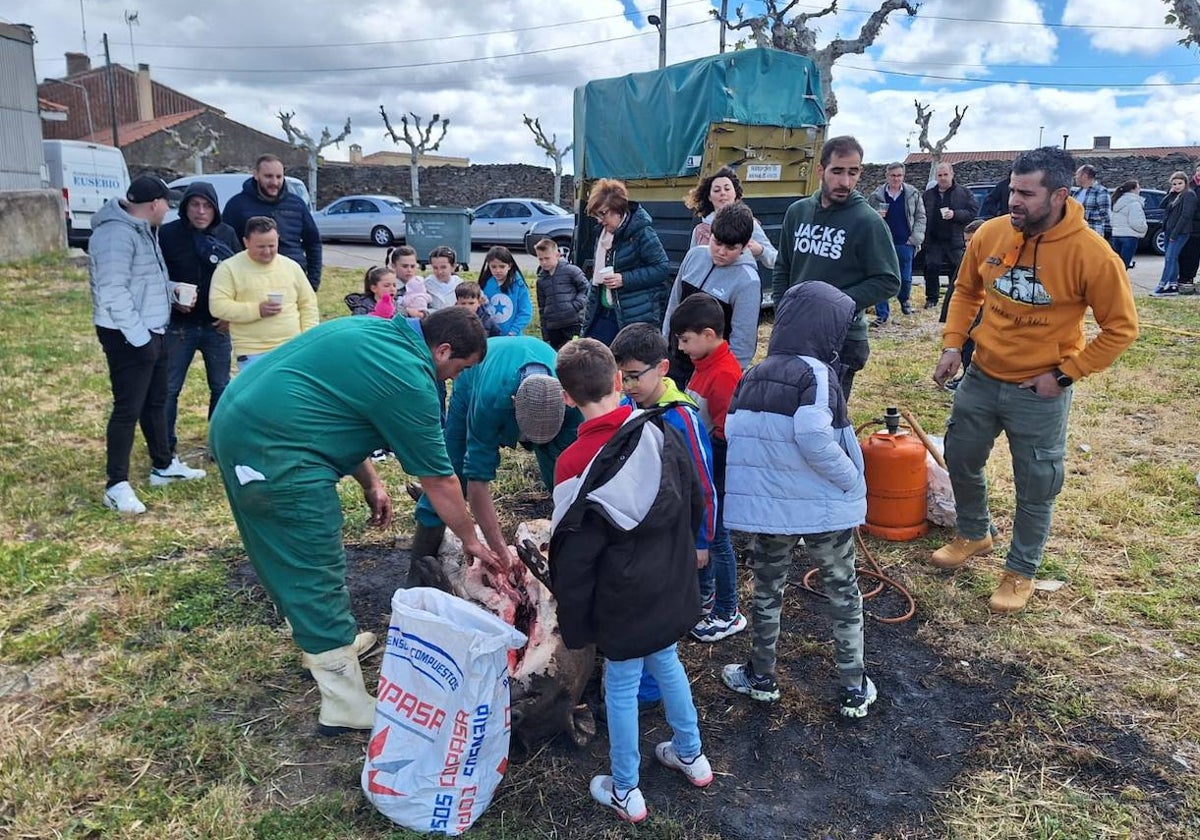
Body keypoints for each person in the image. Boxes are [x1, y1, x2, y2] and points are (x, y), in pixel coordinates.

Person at [209, 307, 499, 734]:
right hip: (275, 452)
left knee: (278, 550)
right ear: (442, 350)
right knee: (312, 561)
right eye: (458, 369)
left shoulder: (378, 332)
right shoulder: (409, 377)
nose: (453, 380)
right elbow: (438, 479)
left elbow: (337, 406)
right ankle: (343, 702)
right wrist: (471, 541)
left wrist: (370, 481)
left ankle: (330, 643)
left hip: (242, 427)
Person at [931, 146, 1139, 613]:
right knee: (961, 457)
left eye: (1026, 193)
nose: (1014, 201)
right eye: (1012, 189)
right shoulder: (991, 234)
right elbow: (966, 290)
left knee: (1037, 484)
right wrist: (952, 344)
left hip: (1038, 391)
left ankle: (1020, 571)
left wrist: (1065, 375)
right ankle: (973, 532)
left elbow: (1121, 329)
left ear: (1060, 195)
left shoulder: (1093, 255)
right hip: (981, 377)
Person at [551, 338, 713, 824]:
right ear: (618, 381)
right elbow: (693, 501)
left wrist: (575, 624)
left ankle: (626, 788)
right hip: (668, 579)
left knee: (621, 685)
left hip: (620, 596)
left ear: (565, 396)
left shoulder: (573, 464)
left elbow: (573, 559)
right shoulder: (662, 430)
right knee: (667, 659)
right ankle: (692, 754)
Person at [721, 281, 875, 717]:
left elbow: (734, 433)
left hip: (772, 514)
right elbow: (813, 437)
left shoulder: (753, 373)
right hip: (822, 509)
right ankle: (853, 686)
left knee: (768, 590)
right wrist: (851, 481)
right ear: (825, 327)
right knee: (843, 591)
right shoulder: (818, 374)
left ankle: (761, 677)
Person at [611, 323, 744, 643]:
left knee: (706, 556)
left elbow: (704, 485)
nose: (627, 385)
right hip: (660, 513)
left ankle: (719, 605)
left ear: (662, 368)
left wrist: (702, 540)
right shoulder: (631, 405)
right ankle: (696, 596)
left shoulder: (681, 418)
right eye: (621, 377)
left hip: (689, 513)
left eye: (633, 376)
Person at [91, 175, 207, 515]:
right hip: (128, 334)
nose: (168, 210)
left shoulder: (141, 231)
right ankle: (116, 485)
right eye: (167, 204)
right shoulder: (115, 235)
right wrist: (139, 338)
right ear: (155, 204)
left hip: (152, 329)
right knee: (128, 408)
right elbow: (113, 292)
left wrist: (171, 290)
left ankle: (163, 465)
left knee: (155, 402)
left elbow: (141, 279)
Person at [410, 336, 582, 563]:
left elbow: (576, 473)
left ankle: (573, 543)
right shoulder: (488, 401)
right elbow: (477, 482)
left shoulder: (574, 396)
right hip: (478, 378)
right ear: (513, 403)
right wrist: (499, 549)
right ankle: (422, 556)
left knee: (561, 468)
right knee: (454, 469)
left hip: (540, 386)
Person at [772, 135, 901, 399]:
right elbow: (783, 265)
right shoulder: (797, 212)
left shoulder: (868, 222)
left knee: (825, 416)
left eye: (853, 173)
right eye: (837, 171)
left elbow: (888, 280)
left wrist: (834, 304)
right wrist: (782, 310)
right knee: (786, 407)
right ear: (821, 170)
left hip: (841, 339)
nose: (845, 182)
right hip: (795, 331)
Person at [668, 293, 747, 640]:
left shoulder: (726, 375)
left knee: (717, 540)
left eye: (685, 340)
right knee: (701, 532)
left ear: (709, 335)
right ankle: (705, 595)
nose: (682, 348)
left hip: (715, 473)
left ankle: (728, 611)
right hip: (700, 471)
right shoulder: (702, 369)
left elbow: (725, 435)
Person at [157, 180, 240, 457]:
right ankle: (164, 447)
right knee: (169, 388)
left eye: (207, 206)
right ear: (185, 206)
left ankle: (218, 444)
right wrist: (172, 295)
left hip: (216, 326)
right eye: (195, 204)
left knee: (221, 387)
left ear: (215, 209)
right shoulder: (168, 234)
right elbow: (155, 275)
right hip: (179, 326)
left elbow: (240, 277)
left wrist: (231, 315)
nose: (201, 211)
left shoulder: (227, 234)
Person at [209, 216, 319, 369]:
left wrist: (307, 340)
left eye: (272, 245)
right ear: (246, 242)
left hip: (292, 348)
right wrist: (257, 310)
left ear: (278, 240)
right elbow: (218, 306)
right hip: (252, 353)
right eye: (261, 247)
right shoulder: (229, 269)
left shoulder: (291, 267)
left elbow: (308, 304)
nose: (267, 252)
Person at [662, 203, 762, 371]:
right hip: (674, 357)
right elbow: (674, 304)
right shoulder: (694, 255)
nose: (721, 252)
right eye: (717, 242)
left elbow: (743, 341)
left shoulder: (748, 282)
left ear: (745, 246)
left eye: (731, 248)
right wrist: (664, 344)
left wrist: (725, 375)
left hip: (710, 370)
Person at [580, 179, 670, 345]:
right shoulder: (601, 235)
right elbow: (596, 283)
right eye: (596, 215)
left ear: (618, 209)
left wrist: (625, 279)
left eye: (603, 213)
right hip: (604, 311)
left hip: (634, 315)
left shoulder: (642, 232)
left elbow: (662, 268)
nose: (600, 220)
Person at [222, 154, 322, 291]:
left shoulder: (297, 204)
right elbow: (225, 245)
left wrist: (312, 283)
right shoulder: (236, 205)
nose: (275, 182)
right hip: (252, 283)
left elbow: (313, 243)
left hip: (293, 281)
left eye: (279, 177)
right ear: (256, 174)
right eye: (268, 176)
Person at [866, 162, 926, 323]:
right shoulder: (875, 196)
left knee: (905, 279)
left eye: (899, 175)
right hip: (883, 243)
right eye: (893, 175)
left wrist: (915, 239)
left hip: (905, 242)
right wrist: (876, 216)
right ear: (887, 176)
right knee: (881, 277)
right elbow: (866, 217)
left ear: (903, 176)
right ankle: (882, 315)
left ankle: (904, 300)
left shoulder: (913, 193)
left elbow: (921, 216)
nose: (896, 179)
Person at [684, 166, 777, 268]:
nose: (723, 193)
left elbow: (775, 259)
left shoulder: (749, 224)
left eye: (727, 189)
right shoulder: (700, 230)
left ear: (735, 193)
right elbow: (690, 262)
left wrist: (760, 250)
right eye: (716, 190)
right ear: (709, 197)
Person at [921, 161, 979, 315]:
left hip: (955, 239)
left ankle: (955, 298)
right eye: (939, 175)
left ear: (952, 174)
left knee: (958, 269)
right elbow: (921, 215)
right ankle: (932, 299)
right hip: (934, 240)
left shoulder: (964, 193)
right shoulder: (928, 194)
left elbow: (973, 212)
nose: (943, 178)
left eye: (945, 174)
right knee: (931, 268)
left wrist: (955, 214)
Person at [943, 219, 985, 392]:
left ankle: (970, 379)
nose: (968, 244)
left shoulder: (990, 261)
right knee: (966, 347)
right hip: (966, 319)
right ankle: (965, 376)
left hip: (980, 317)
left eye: (972, 240)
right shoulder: (967, 258)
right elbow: (960, 289)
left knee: (972, 349)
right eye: (966, 241)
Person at [534, 237, 589, 349]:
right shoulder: (541, 280)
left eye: (547, 258)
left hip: (573, 323)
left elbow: (586, 289)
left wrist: (575, 305)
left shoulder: (571, 271)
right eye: (540, 259)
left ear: (557, 255)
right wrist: (545, 333)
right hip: (553, 327)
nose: (544, 262)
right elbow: (542, 307)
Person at [1152, 171, 1197, 298]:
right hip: (1168, 230)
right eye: (1174, 184)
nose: (1177, 186)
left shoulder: (1189, 195)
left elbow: (1186, 216)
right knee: (1172, 258)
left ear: (1185, 183)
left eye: (1180, 183)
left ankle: (1162, 284)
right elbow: (1162, 205)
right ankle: (1172, 285)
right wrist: (1170, 194)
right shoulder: (1174, 195)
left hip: (1180, 232)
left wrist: (1175, 234)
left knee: (1170, 258)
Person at [478, 245, 532, 336]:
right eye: (493, 267)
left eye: (502, 266)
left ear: (509, 266)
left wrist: (513, 331)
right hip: (489, 337)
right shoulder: (484, 283)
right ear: (488, 265)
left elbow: (525, 312)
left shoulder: (519, 285)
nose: (498, 270)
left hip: (512, 336)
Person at [1108, 180, 1147, 271]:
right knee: (1123, 267)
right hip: (1129, 236)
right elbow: (1136, 222)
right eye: (1138, 188)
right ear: (1133, 190)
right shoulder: (1134, 204)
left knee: (1116, 265)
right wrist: (1144, 228)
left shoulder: (1116, 202)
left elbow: (1112, 220)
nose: (1139, 190)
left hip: (1116, 235)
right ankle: (1119, 284)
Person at [1174, 163, 1200, 292]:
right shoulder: (1189, 186)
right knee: (1189, 255)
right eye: (1198, 170)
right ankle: (1185, 279)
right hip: (1192, 227)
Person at [1071, 164, 1110, 238]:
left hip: (1093, 234)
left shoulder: (1101, 191)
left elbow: (1105, 215)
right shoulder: (1077, 192)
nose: (1075, 177)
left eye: (1077, 175)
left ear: (1084, 176)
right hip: (1076, 233)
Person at [386, 245, 425, 317]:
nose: (409, 270)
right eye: (405, 266)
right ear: (393, 266)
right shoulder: (387, 287)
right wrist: (407, 311)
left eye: (413, 266)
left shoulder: (421, 283)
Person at [425, 245, 462, 311]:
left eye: (443, 267)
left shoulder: (460, 284)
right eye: (435, 268)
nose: (439, 272)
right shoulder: (426, 285)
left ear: (453, 266)